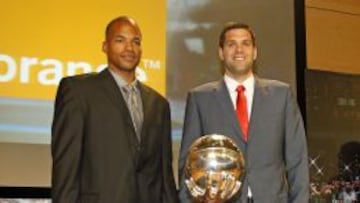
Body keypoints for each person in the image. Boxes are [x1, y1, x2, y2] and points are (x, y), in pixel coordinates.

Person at [51, 16, 179, 203]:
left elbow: (165, 176)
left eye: (135, 42)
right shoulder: (78, 91)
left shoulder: (159, 104)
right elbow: (66, 166)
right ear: (105, 46)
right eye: (120, 40)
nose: (129, 48)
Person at [178, 22, 309, 203]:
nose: (239, 50)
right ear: (221, 53)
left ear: (255, 52)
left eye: (245, 43)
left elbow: (297, 160)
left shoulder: (282, 95)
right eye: (231, 44)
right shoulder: (200, 98)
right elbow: (187, 164)